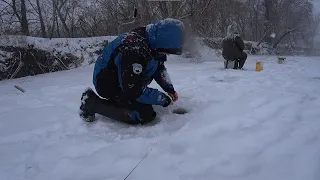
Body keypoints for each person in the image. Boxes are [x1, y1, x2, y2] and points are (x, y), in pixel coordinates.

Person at [79, 18, 184, 125]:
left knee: (139, 97)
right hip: (107, 83)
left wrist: (169, 88)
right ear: (164, 41)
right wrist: (162, 99)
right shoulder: (134, 49)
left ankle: (126, 99)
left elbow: (158, 67)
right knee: (144, 114)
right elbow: (133, 89)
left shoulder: (153, 40)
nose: (169, 54)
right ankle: (91, 103)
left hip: (126, 79)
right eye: (168, 51)